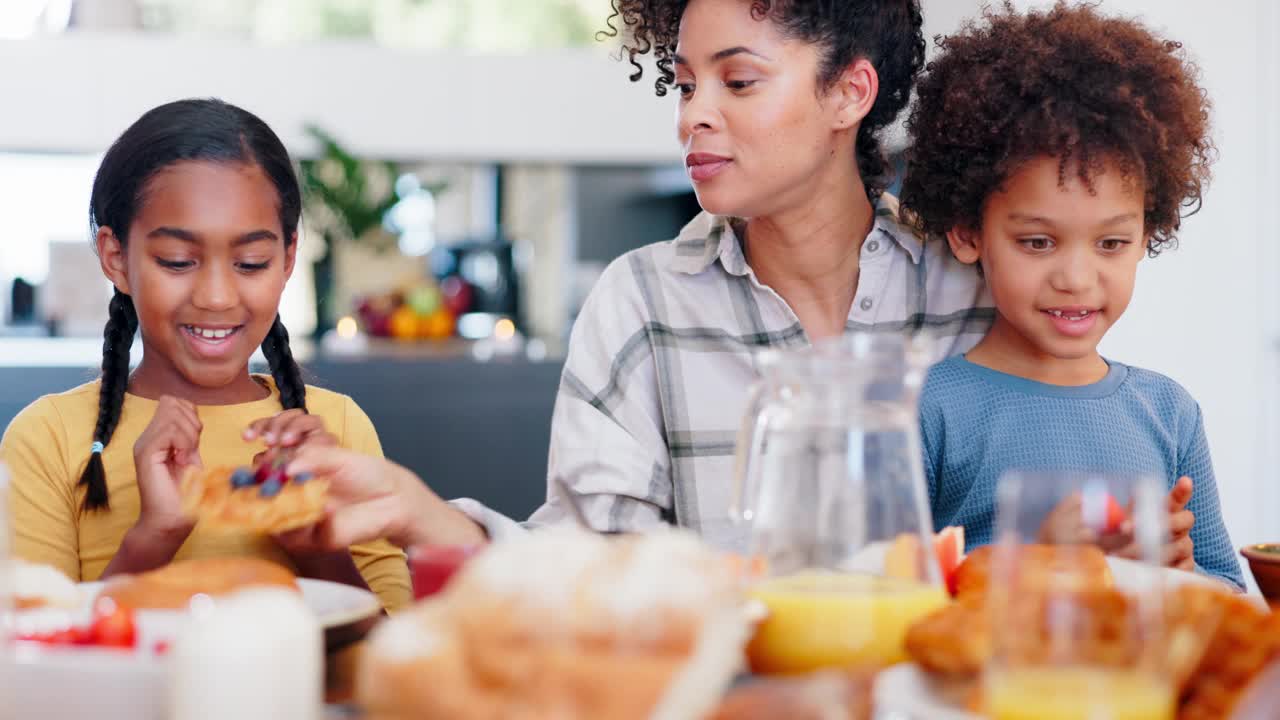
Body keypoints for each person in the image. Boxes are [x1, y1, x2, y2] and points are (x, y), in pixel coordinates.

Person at [272, 0, 993, 553]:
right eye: (683, 86)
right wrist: (421, 514)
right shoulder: (641, 303)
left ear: (849, 93)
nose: (693, 117)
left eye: (738, 81)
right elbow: (591, 567)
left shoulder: (970, 288)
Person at [0, 98, 412, 610]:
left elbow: (393, 652)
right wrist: (151, 538)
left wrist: (316, 546)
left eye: (250, 262)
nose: (216, 296)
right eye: (177, 261)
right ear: (116, 258)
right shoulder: (50, 439)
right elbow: (32, 659)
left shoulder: (338, 429)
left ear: (287, 259)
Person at [899, 3, 1243, 588]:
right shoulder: (929, 409)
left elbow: (1228, 593)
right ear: (967, 233)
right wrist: (1033, 564)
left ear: (1147, 237)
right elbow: (887, 596)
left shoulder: (1169, 412)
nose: (1077, 279)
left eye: (1111, 243)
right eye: (1038, 242)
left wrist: (1183, 575)